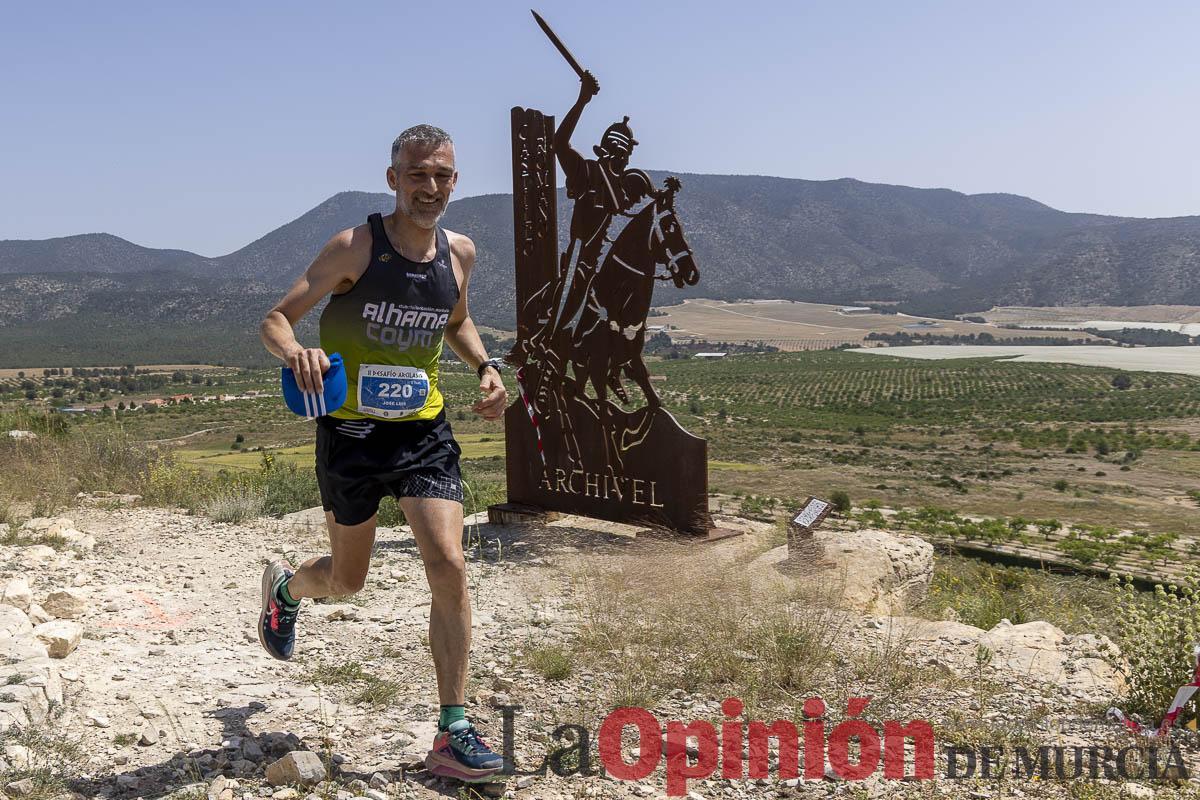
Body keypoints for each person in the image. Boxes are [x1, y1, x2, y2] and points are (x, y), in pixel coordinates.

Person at [257, 124, 509, 783]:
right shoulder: (355, 248)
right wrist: (297, 351)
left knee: (448, 563)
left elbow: (456, 320)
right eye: (417, 174)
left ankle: (453, 730)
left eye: (442, 175)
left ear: (455, 182)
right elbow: (276, 319)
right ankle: (286, 588)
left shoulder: (460, 254)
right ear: (394, 179)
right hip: (351, 437)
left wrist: (485, 366)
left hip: (422, 433)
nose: (430, 187)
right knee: (347, 581)